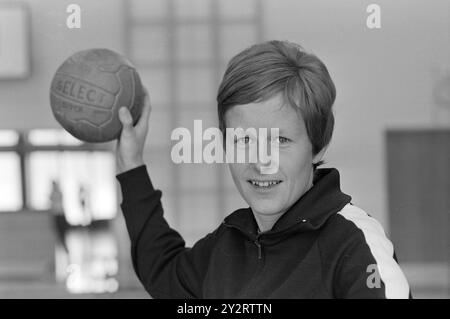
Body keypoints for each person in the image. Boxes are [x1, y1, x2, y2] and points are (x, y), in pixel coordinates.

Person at [115, 40, 411, 298]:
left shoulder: (355, 245)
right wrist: (131, 166)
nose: (260, 162)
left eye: (280, 140)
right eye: (244, 140)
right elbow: (163, 270)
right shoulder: (225, 248)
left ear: (318, 145)